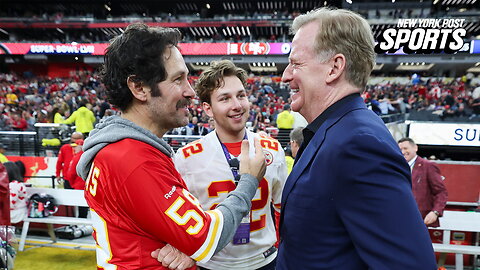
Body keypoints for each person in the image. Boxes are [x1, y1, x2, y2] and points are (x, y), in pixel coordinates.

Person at [76, 23, 266, 270]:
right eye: (178, 79)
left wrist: (183, 242)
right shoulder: (133, 159)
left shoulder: (122, 150)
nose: (190, 92)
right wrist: (249, 181)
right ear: (139, 87)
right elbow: (207, 238)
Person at [278, 7, 436, 269]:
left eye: (296, 63)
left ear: (334, 67)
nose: (285, 75)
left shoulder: (358, 144)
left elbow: (409, 264)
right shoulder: (338, 131)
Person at [172, 60, 287, 269]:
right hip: (213, 264)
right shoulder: (185, 158)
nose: (237, 105)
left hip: (266, 260)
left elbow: (282, 210)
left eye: (241, 95)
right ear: (208, 108)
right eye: (225, 98)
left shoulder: (272, 149)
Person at [398, 137, 448, 227]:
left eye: (405, 148)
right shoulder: (397, 168)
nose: (402, 152)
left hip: (421, 221)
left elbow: (441, 192)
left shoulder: (428, 166)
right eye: (400, 149)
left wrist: (435, 212)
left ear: (415, 148)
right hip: (399, 218)